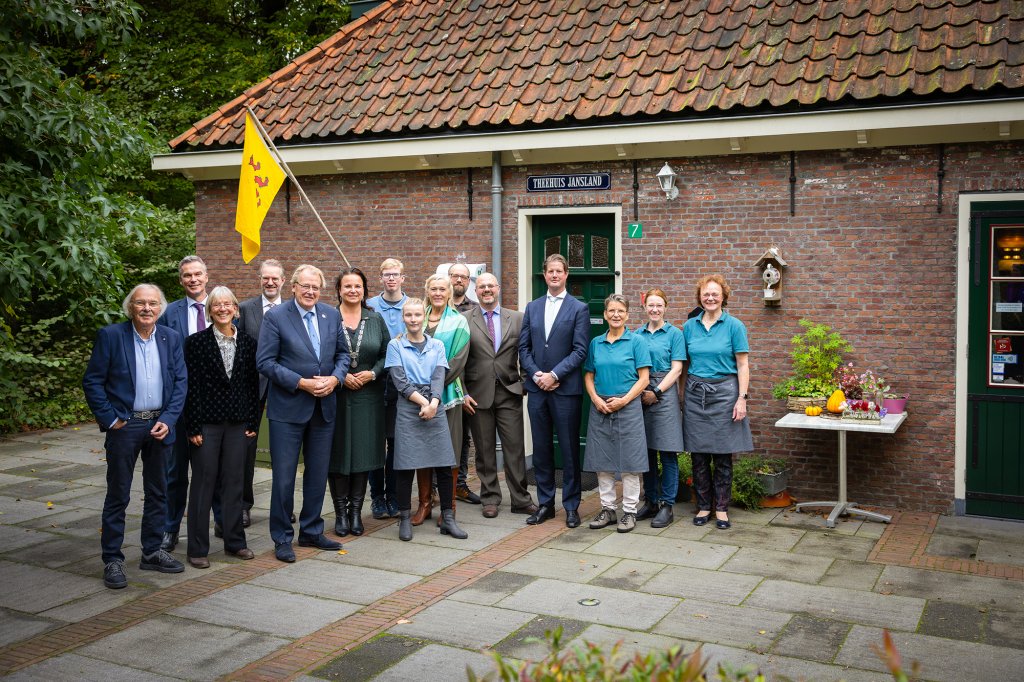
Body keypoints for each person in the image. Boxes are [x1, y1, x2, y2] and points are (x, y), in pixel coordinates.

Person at [83, 284, 187, 589]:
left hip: (159, 425)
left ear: (160, 308)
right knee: (119, 494)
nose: (146, 309)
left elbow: (180, 383)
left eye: (153, 304)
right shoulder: (111, 336)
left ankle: (152, 551)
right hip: (125, 427)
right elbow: (93, 381)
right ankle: (112, 558)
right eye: (140, 303)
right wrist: (111, 418)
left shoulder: (171, 338)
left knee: (158, 492)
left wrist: (169, 420)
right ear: (131, 307)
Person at [256, 264, 351, 562]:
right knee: (284, 478)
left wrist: (336, 378)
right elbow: (266, 362)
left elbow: (343, 354)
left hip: (324, 408)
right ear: (293, 286)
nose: (310, 291)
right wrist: (301, 383)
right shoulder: (276, 317)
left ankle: (311, 530)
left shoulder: (331, 315)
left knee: (317, 474)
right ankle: (283, 537)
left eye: (315, 287)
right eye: (305, 286)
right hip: (288, 410)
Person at [183, 286, 259, 568]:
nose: (223, 309)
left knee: (234, 484)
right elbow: (191, 388)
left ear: (236, 309)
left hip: (238, 425)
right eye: (217, 305)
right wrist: (193, 427)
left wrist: (252, 421)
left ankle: (235, 542)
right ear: (210, 311)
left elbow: (253, 386)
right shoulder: (196, 343)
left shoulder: (249, 343)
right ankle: (198, 548)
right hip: (207, 425)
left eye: (228, 304)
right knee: (203, 485)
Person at [385, 298, 468, 541]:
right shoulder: (395, 345)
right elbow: (399, 381)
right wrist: (423, 403)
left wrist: (433, 403)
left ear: (424, 316)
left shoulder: (437, 345)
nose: (413, 319)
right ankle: (403, 518)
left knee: (443, 464)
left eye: (417, 315)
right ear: (403, 318)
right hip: (410, 407)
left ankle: (448, 518)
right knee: (405, 465)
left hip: (435, 405)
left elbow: (439, 376)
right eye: (408, 315)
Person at [518, 253, 589, 528]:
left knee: (570, 450)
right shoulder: (532, 307)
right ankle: (546, 504)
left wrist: (555, 374)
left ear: (566, 274)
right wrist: (537, 374)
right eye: (550, 271)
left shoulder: (579, 308)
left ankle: (571, 506)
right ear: (544, 275)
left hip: (565, 390)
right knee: (542, 449)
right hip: (537, 390)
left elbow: (580, 349)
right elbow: (523, 347)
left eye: (559, 271)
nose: (555, 275)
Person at [682, 274, 753, 530]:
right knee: (698, 456)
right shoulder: (689, 327)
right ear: (699, 297)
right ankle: (703, 506)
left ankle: (721, 509)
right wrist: (681, 398)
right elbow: (685, 364)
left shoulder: (735, 326)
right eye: (705, 294)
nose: (710, 298)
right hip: (695, 395)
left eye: (715, 294)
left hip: (725, 394)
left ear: (723, 297)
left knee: (723, 456)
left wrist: (741, 399)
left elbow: (743, 364)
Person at [462, 273, 536, 518]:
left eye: (490, 286)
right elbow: (459, 359)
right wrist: (462, 392)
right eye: (481, 286)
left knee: (514, 449)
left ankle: (520, 499)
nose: (486, 290)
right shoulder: (465, 320)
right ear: (477, 291)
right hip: (477, 394)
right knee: (484, 451)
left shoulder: (517, 318)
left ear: (498, 288)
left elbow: (526, 353)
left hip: (509, 391)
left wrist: (525, 384)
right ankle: (490, 498)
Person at [583, 294, 651, 533]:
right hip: (600, 407)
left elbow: (644, 379)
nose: (615, 315)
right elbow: (589, 375)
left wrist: (624, 400)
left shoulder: (637, 342)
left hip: (628, 407)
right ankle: (608, 509)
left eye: (620, 311)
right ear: (604, 314)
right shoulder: (596, 343)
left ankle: (630, 511)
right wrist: (594, 398)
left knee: (630, 462)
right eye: (611, 310)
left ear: (627, 315)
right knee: (603, 462)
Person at [329, 267, 388, 537]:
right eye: (347, 286)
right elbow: (319, 353)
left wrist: (373, 372)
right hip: (337, 397)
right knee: (339, 455)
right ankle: (340, 513)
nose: (353, 290)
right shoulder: (327, 318)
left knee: (363, 455)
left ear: (364, 290)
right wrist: (341, 377)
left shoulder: (375, 319)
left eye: (358, 286)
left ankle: (356, 513)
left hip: (368, 396)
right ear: (339, 290)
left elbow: (388, 354)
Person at [158, 255, 209, 552]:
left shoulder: (222, 307)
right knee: (175, 472)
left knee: (211, 471)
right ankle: (169, 528)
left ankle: (220, 526)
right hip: (178, 402)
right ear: (181, 280)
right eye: (187, 275)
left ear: (206, 276)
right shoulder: (169, 313)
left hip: (211, 403)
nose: (193, 279)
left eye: (197, 274)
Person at [236, 258, 286, 529]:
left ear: (283, 281)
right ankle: (243, 505)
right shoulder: (245, 309)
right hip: (250, 388)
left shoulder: (292, 309)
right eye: (266, 278)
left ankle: (282, 505)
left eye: (275, 278)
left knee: (283, 450)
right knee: (246, 449)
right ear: (260, 279)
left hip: (283, 388)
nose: (270, 282)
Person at [420, 274, 471, 527]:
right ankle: (425, 504)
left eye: (442, 289)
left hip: (449, 395)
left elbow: (458, 362)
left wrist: (434, 391)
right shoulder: (417, 317)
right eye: (433, 289)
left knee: (448, 450)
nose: (438, 293)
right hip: (417, 397)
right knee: (422, 450)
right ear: (427, 291)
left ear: (449, 293)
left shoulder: (459, 322)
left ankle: (448, 508)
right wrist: (419, 390)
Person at [635, 288, 686, 528]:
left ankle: (667, 505)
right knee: (646, 453)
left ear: (665, 307)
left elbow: (677, 369)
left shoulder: (674, 334)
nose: (654, 309)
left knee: (667, 453)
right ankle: (651, 501)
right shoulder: (636, 334)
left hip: (663, 396)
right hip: (640, 394)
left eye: (659, 305)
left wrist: (656, 392)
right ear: (644, 308)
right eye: (650, 305)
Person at [366, 258, 408, 520]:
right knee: (374, 443)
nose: (391, 278)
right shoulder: (369, 306)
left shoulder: (413, 306)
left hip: (401, 384)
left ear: (403, 278)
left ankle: (393, 495)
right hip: (374, 382)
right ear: (380, 278)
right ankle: (376, 496)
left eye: (395, 274)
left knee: (395, 443)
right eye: (386, 274)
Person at [448, 262, 482, 505]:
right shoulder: (435, 308)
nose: (458, 280)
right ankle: (439, 488)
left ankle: (459, 484)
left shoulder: (476, 310)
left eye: (463, 277)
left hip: (467, 384)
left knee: (463, 437)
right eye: (455, 276)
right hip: (441, 382)